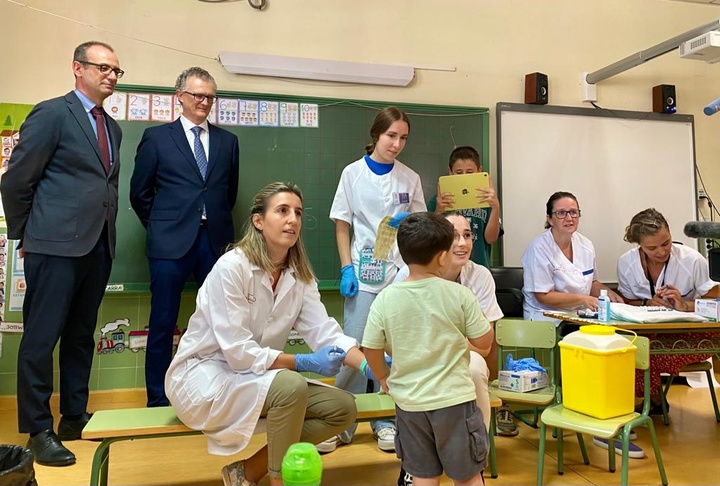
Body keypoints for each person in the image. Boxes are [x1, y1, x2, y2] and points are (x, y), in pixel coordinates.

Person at [165, 182, 378, 486]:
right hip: (204, 378)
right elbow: (238, 354)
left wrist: (371, 367)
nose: (293, 219)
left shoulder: (298, 274)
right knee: (291, 386)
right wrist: (304, 362)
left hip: (257, 378)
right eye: (282, 210)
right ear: (259, 221)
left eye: (298, 213)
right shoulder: (232, 268)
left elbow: (325, 332)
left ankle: (246, 473)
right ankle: (280, 480)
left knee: (342, 409)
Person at [0, 41, 123, 466]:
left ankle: (73, 416)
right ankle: (38, 429)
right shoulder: (52, 113)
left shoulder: (112, 127)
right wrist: (28, 233)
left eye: (115, 71)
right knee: (40, 338)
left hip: (97, 245)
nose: (110, 75)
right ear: (78, 68)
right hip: (51, 246)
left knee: (79, 337)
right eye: (102, 67)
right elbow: (16, 182)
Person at [130, 67, 240, 407]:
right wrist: (163, 226)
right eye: (197, 95)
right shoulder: (157, 138)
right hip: (168, 244)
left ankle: (214, 393)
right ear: (180, 97)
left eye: (210, 96)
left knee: (220, 322)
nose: (204, 102)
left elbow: (228, 194)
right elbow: (139, 193)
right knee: (163, 321)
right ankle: (158, 398)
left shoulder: (228, 141)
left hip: (215, 242)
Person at [363, 212, 493, 486]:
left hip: (410, 405)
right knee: (468, 475)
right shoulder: (459, 295)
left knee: (422, 475)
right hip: (455, 402)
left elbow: (370, 348)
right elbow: (484, 342)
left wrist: (384, 377)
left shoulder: (386, 298)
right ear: (443, 256)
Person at [325, 106, 427, 453]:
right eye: (390, 136)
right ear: (376, 135)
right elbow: (342, 223)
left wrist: (408, 224)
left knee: (392, 349)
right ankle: (339, 419)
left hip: (399, 272)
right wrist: (345, 268)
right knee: (354, 346)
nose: (396, 144)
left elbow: (421, 224)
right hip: (362, 270)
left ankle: (385, 420)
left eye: (403, 138)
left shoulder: (409, 178)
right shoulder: (352, 174)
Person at [617, 208, 720, 410]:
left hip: (689, 335)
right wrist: (647, 303)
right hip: (649, 334)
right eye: (652, 248)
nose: (662, 252)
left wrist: (686, 306)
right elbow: (626, 303)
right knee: (631, 348)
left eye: (666, 243)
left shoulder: (692, 260)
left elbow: (716, 301)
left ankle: (650, 401)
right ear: (639, 245)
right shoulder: (626, 263)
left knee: (646, 353)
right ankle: (647, 402)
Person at [521, 191, 623, 324]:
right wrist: (583, 299)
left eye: (573, 212)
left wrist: (609, 294)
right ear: (550, 219)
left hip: (579, 314)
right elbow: (543, 296)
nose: (569, 218)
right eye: (561, 213)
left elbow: (592, 283)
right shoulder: (538, 248)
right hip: (546, 316)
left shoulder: (586, 245)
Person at [432, 146, 502, 269]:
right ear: (450, 172)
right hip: (446, 269)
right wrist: (438, 211)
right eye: (459, 173)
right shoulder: (440, 199)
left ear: (479, 171)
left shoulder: (486, 199)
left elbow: (491, 239)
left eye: (470, 172)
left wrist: (495, 207)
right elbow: (430, 238)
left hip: (479, 268)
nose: (464, 176)